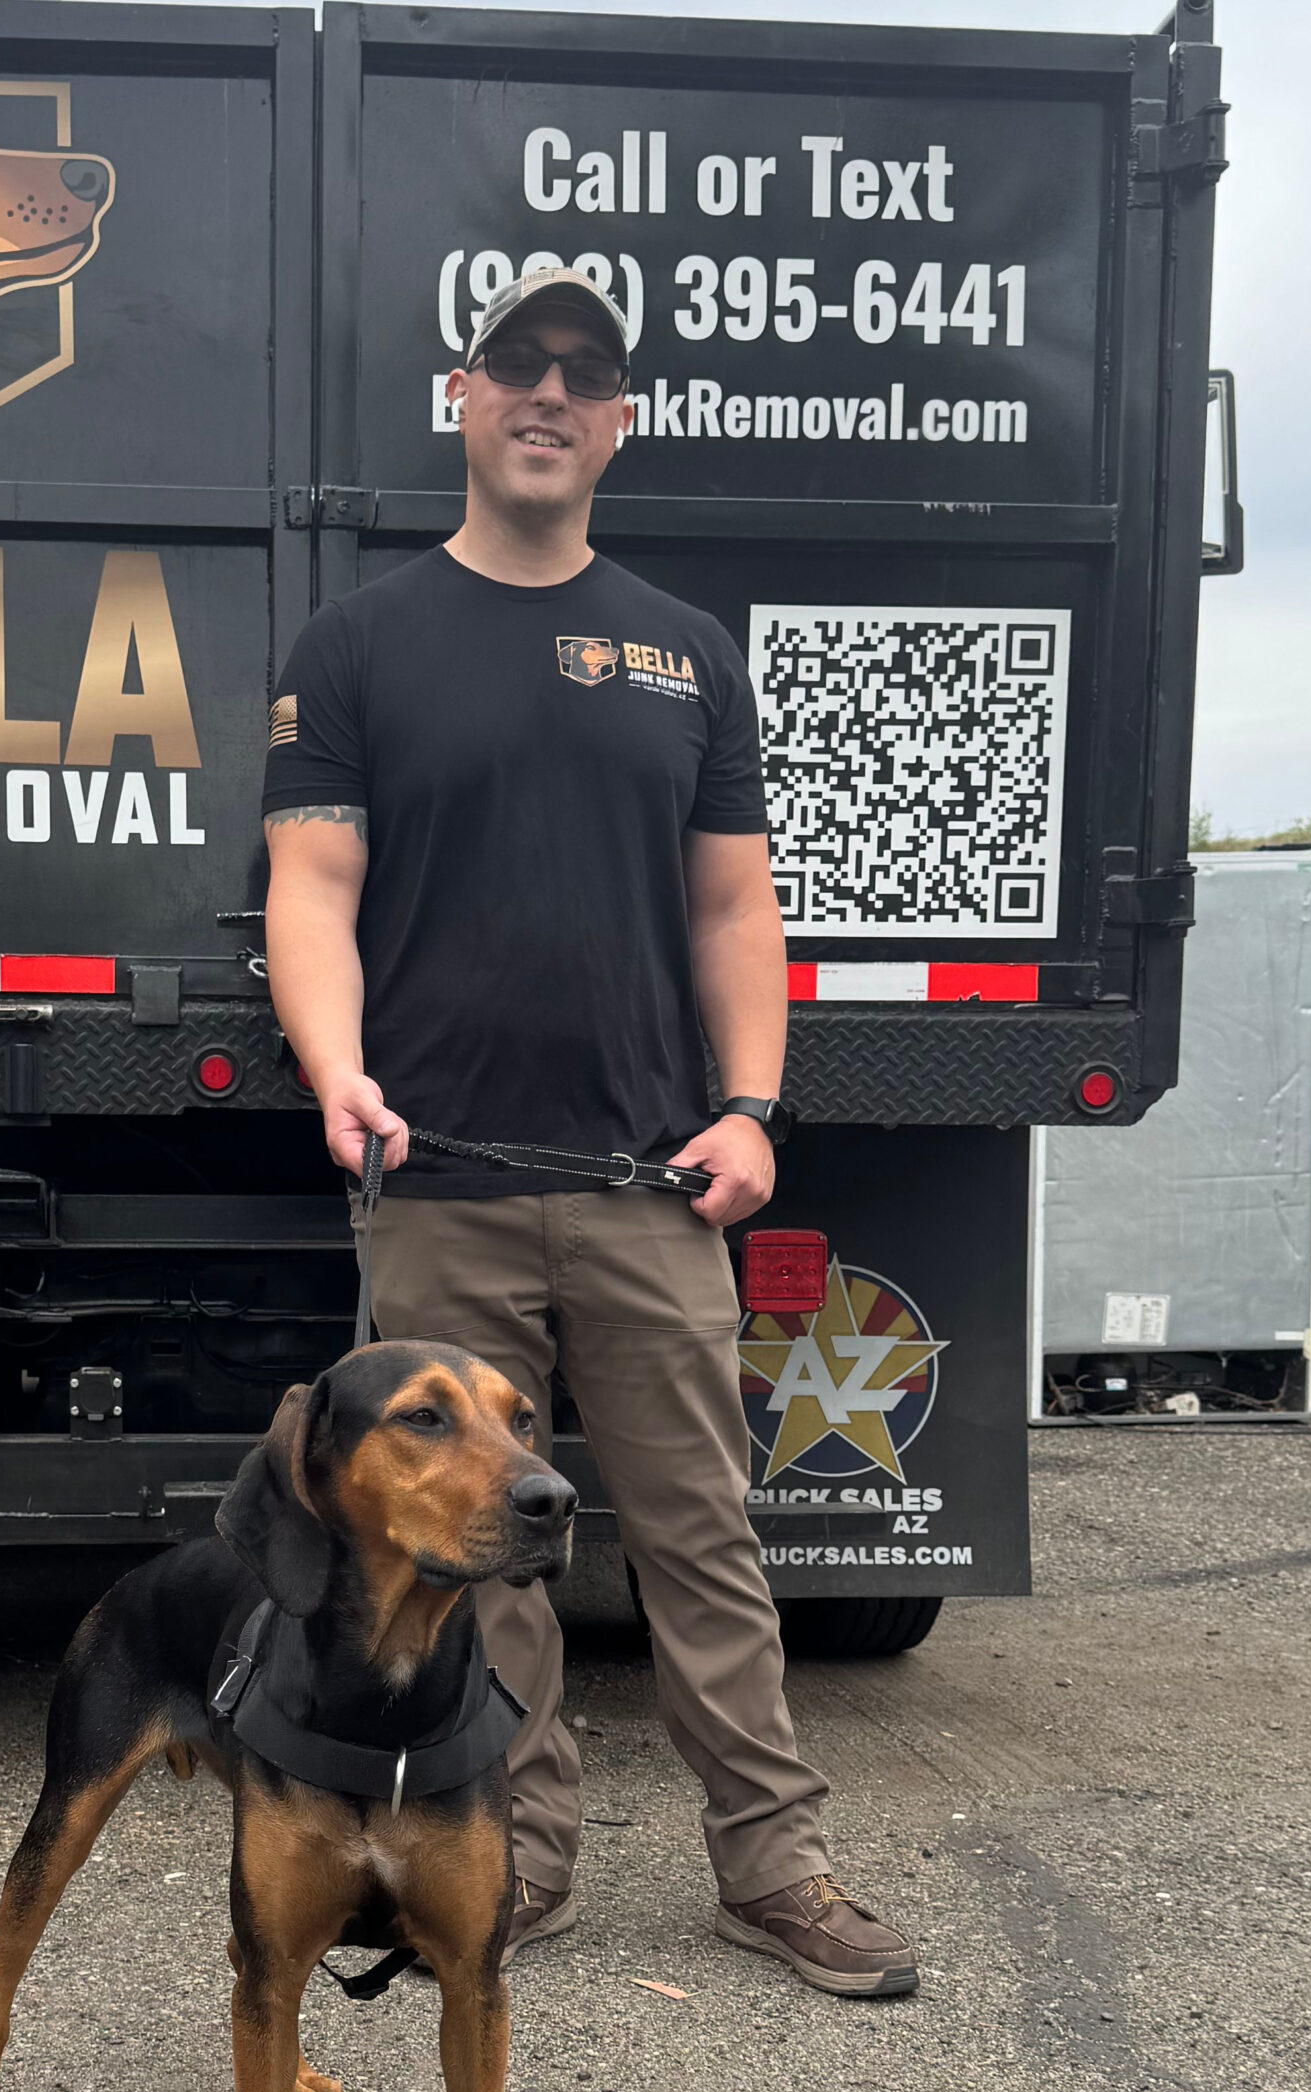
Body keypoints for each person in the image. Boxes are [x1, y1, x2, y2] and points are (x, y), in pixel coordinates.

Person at [259, 269, 916, 1999]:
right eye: (519, 365)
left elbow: (733, 908)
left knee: (704, 1534)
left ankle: (774, 1868)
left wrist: (757, 1108)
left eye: (588, 373)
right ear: (461, 398)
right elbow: (310, 886)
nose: (550, 392)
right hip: (444, 1195)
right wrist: (337, 1070)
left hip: (650, 1189)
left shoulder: (687, 650)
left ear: (619, 421)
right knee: (480, 1557)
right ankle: (520, 1858)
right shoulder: (356, 645)